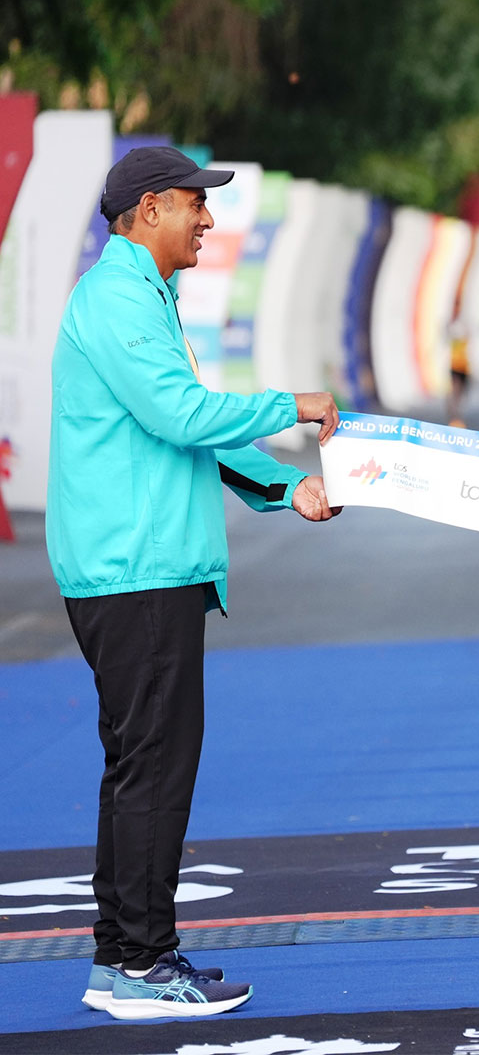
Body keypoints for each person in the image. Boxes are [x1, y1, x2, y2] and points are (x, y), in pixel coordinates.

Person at [48, 146, 344, 1019]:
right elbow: (181, 413)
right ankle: (143, 968)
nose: (208, 219)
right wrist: (292, 407)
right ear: (146, 211)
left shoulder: (140, 297)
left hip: (137, 569)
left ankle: (123, 962)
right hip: (134, 574)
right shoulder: (117, 299)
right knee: (154, 772)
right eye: (193, 203)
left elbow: (186, 429)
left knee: (139, 768)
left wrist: (287, 485)